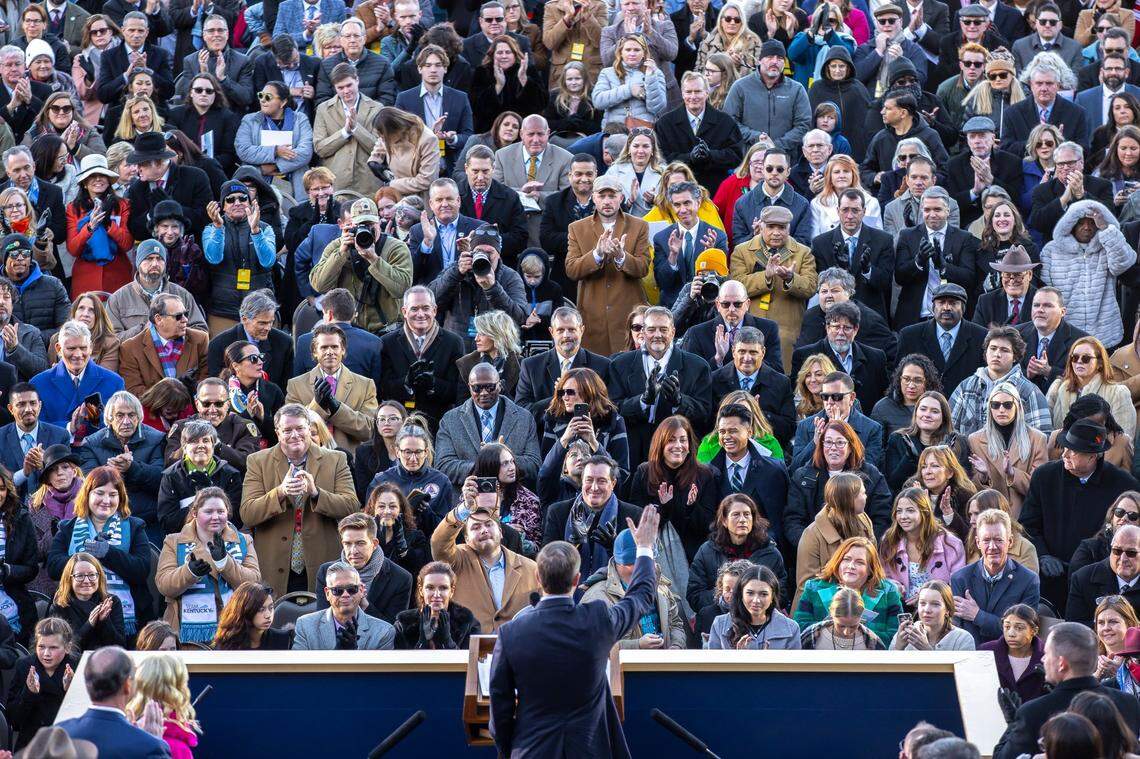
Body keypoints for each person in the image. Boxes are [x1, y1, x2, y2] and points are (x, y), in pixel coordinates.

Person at [239, 403, 359, 597]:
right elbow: (247, 513)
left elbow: (351, 507)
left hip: (322, 563)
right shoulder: (257, 461)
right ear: (277, 432)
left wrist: (316, 493)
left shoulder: (336, 459)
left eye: (300, 428)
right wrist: (279, 492)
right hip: (273, 564)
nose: (294, 435)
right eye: (287, 430)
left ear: (308, 427)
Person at [1021, 419, 1140, 607]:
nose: (1064, 453)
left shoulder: (1122, 484)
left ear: (1094, 456)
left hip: (1099, 583)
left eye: (1073, 450)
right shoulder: (1044, 476)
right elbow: (1028, 524)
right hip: (1051, 578)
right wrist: (1042, 555)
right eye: (1065, 447)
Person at [992, 622, 1140, 759]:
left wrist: (1012, 725)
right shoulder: (1128, 703)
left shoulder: (1033, 712)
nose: (1043, 660)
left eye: (1047, 654)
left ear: (1061, 663)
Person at [47, 467, 153, 638]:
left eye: (113, 495)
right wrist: (86, 557)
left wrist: (108, 553)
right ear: (87, 494)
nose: (106, 500)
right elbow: (52, 567)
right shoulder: (68, 527)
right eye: (100, 493)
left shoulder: (135, 526)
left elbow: (142, 570)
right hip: (76, 615)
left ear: (121, 498)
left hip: (128, 618)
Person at [429, 476, 539, 632]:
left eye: (489, 524)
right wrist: (464, 509)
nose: (484, 530)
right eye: (475, 528)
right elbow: (439, 544)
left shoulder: (531, 569)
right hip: (469, 648)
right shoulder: (458, 560)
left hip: (517, 648)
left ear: (501, 532)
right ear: (466, 538)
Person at [607, 306, 712, 464]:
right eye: (651, 329)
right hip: (633, 454)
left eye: (663, 329)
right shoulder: (619, 365)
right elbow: (612, 411)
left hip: (679, 456)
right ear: (643, 332)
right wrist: (642, 401)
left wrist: (679, 402)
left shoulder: (697, 366)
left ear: (673, 332)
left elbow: (705, 414)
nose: (657, 335)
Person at [155, 487, 259, 645]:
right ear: (195, 513)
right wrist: (190, 572)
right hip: (186, 635)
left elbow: (254, 584)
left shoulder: (244, 540)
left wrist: (225, 562)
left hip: (234, 632)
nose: (216, 517)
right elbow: (164, 585)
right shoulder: (173, 541)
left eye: (221, 511)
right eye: (209, 512)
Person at [1040, 200, 1135, 348]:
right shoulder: (1051, 250)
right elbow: (1045, 292)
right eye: (1081, 223)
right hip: (1066, 333)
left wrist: (1105, 229)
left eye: (1092, 223)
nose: (1087, 227)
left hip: (1105, 334)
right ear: (1070, 225)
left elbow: (1123, 263)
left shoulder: (1107, 245)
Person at [580, 527, 686, 649]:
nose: (652, 565)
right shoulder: (597, 597)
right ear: (625, 564)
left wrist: (676, 646)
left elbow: (675, 623)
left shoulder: (660, 586)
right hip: (623, 668)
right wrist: (637, 645)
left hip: (663, 666)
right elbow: (591, 644)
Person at [283, 323, 378, 454]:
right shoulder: (296, 385)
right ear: (315, 352)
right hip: (309, 459)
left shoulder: (365, 385)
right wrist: (317, 405)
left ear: (343, 349)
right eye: (324, 347)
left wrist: (337, 408)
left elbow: (369, 430)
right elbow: (290, 428)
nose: (330, 352)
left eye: (334, 347)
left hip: (349, 461)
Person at [950, 508, 1041, 644]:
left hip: (1008, 658)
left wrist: (978, 616)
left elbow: (1023, 631)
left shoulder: (1028, 580)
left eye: (998, 540)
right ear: (977, 543)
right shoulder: (960, 579)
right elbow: (955, 630)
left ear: (1009, 542)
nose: (992, 546)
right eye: (986, 540)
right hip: (970, 657)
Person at [687, 493, 787, 612]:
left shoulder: (770, 552)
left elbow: (782, 594)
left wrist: (753, 598)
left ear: (753, 519)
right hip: (717, 617)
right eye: (736, 515)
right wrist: (725, 595)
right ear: (724, 520)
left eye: (747, 514)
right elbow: (694, 596)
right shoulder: (707, 551)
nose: (742, 520)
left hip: (759, 618)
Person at [950, 325, 1053, 437]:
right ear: (986, 352)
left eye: (1004, 350)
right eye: (993, 348)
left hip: (1013, 454)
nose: (997, 354)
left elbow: (1043, 438)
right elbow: (948, 429)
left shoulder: (1029, 391)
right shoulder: (966, 386)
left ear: (1015, 357)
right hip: (967, 453)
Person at [966, 383, 1050, 518]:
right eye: (995, 405)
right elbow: (972, 492)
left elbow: (1040, 487)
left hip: (1026, 517)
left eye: (1007, 405)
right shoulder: (975, 440)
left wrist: (1013, 474)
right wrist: (983, 477)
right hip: (991, 517)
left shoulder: (1037, 438)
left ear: (1017, 407)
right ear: (990, 408)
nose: (1001, 410)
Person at [312, 512, 411, 625]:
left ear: (374, 544)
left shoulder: (400, 578)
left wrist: (364, 604)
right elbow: (322, 621)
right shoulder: (326, 572)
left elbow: (393, 630)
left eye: (360, 543)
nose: (354, 551)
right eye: (348, 544)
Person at [879, 487, 966, 604]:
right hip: (900, 607)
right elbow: (883, 578)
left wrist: (929, 595)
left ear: (924, 512)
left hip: (939, 608)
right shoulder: (889, 541)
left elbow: (958, 586)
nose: (903, 516)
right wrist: (894, 587)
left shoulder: (951, 543)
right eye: (899, 511)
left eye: (910, 510)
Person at [65, 154, 133, 298]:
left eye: (102, 175)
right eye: (92, 176)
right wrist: (90, 227)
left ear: (108, 180)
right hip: (86, 280)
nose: (98, 179)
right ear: (84, 182)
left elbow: (127, 244)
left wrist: (108, 224)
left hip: (118, 278)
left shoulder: (123, 205)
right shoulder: (73, 209)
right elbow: (73, 248)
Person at [6, 617, 79, 750]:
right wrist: (29, 692)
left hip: (68, 743)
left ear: (67, 647)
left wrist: (70, 691)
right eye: (41, 647)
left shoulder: (78, 666)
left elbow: (85, 718)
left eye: (53, 648)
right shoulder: (24, 666)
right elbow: (14, 720)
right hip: (32, 743)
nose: (46, 654)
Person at [117, 293, 208, 399]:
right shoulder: (130, 348)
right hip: (153, 410)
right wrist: (169, 399)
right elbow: (134, 390)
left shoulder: (200, 339)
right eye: (178, 316)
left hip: (191, 407)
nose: (185, 320)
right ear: (158, 319)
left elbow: (206, 380)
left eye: (186, 314)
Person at [789, 370, 884, 470]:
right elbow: (795, 468)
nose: (829, 402)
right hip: (816, 484)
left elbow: (869, 471)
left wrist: (845, 434)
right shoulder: (806, 425)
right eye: (825, 396)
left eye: (836, 397)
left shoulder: (872, 428)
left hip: (850, 484)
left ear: (851, 398)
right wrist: (815, 443)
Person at [292, 561, 395, 650]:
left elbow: (378, 673)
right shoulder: (305, 625)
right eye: (337, 590)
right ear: (327, 593)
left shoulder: (384, 632)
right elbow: (298, 671)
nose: (345, 595)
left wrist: (353, 653)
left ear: (361, 590)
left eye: (351, 589)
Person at [1048, 336, 1137, 438]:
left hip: (1101, 452)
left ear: (1099, 363)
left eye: (1086, 358)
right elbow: (1048, 431)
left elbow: (1124, 439)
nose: (1079, 361)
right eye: (1075, 357)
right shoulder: (1059, 389)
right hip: (1064, 452)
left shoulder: (1117, 392)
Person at [46, 552, 126, 651]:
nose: (87, 581)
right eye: (80, 576)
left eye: (92, 575)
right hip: (73, 664)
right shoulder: (59, 605)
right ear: (69, 579)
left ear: (99, 577)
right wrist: (89, 624)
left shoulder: (112, 602)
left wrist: (104, 621)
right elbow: (62, 649)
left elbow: (120, 646)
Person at [1018, 287, 1090, 396]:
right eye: (1036, 305)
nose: (1040, 310)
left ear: (1063, 312)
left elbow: (1088, 379)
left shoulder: (1082, 341)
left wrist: (1049, 371)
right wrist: (1026, 374)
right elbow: (1004, 370)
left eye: (1047, 305)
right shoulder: (1017, 333)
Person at [392, 561, 480, 649]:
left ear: (452, 591)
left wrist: (447, 641)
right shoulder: (403, 625)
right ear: (420, 590)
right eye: (430, 588)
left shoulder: (468, 624)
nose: (437, 594)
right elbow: (401, 662)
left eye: (443, 588)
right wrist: (423, 642)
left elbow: (470, 662)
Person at [1067, 524, 1140, 626]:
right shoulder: (1083, 578)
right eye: (1117, 551)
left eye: (1131, 553)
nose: (1123, 559)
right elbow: (1074, 627)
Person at [980, 604, 1048, 704]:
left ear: (1034, 631)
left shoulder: (1047, 656)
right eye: (1007, 627)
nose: (1011, 634)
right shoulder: (985, 652)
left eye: (1019, 628)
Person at [799, 579, 888, 649]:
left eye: (853, 626)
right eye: (841, 625)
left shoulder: (872, 641)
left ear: (862, 615)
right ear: (831, 613)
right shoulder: (812, 635)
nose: (846, 632)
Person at [889, 580, 975, 650]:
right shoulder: (904, 634)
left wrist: (927, 650)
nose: (927, 610)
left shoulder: (962, 639)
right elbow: (888, 670)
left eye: (935, 604)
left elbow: (963, 670)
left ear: (947, 610)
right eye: (922, 603)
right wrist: (898, 648)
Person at [1072, 491, 1140, 575]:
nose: (1124, 518)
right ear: (1112, 517)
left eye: (1132, 515)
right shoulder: (1089, 550)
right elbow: (1077, 584)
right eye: (1119, 512)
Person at [213, 581, 292, 650]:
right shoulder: (226, 645)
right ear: (245, 609)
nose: (268, 615)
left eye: (271, 608)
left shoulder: (283, 640)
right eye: (261, 609)